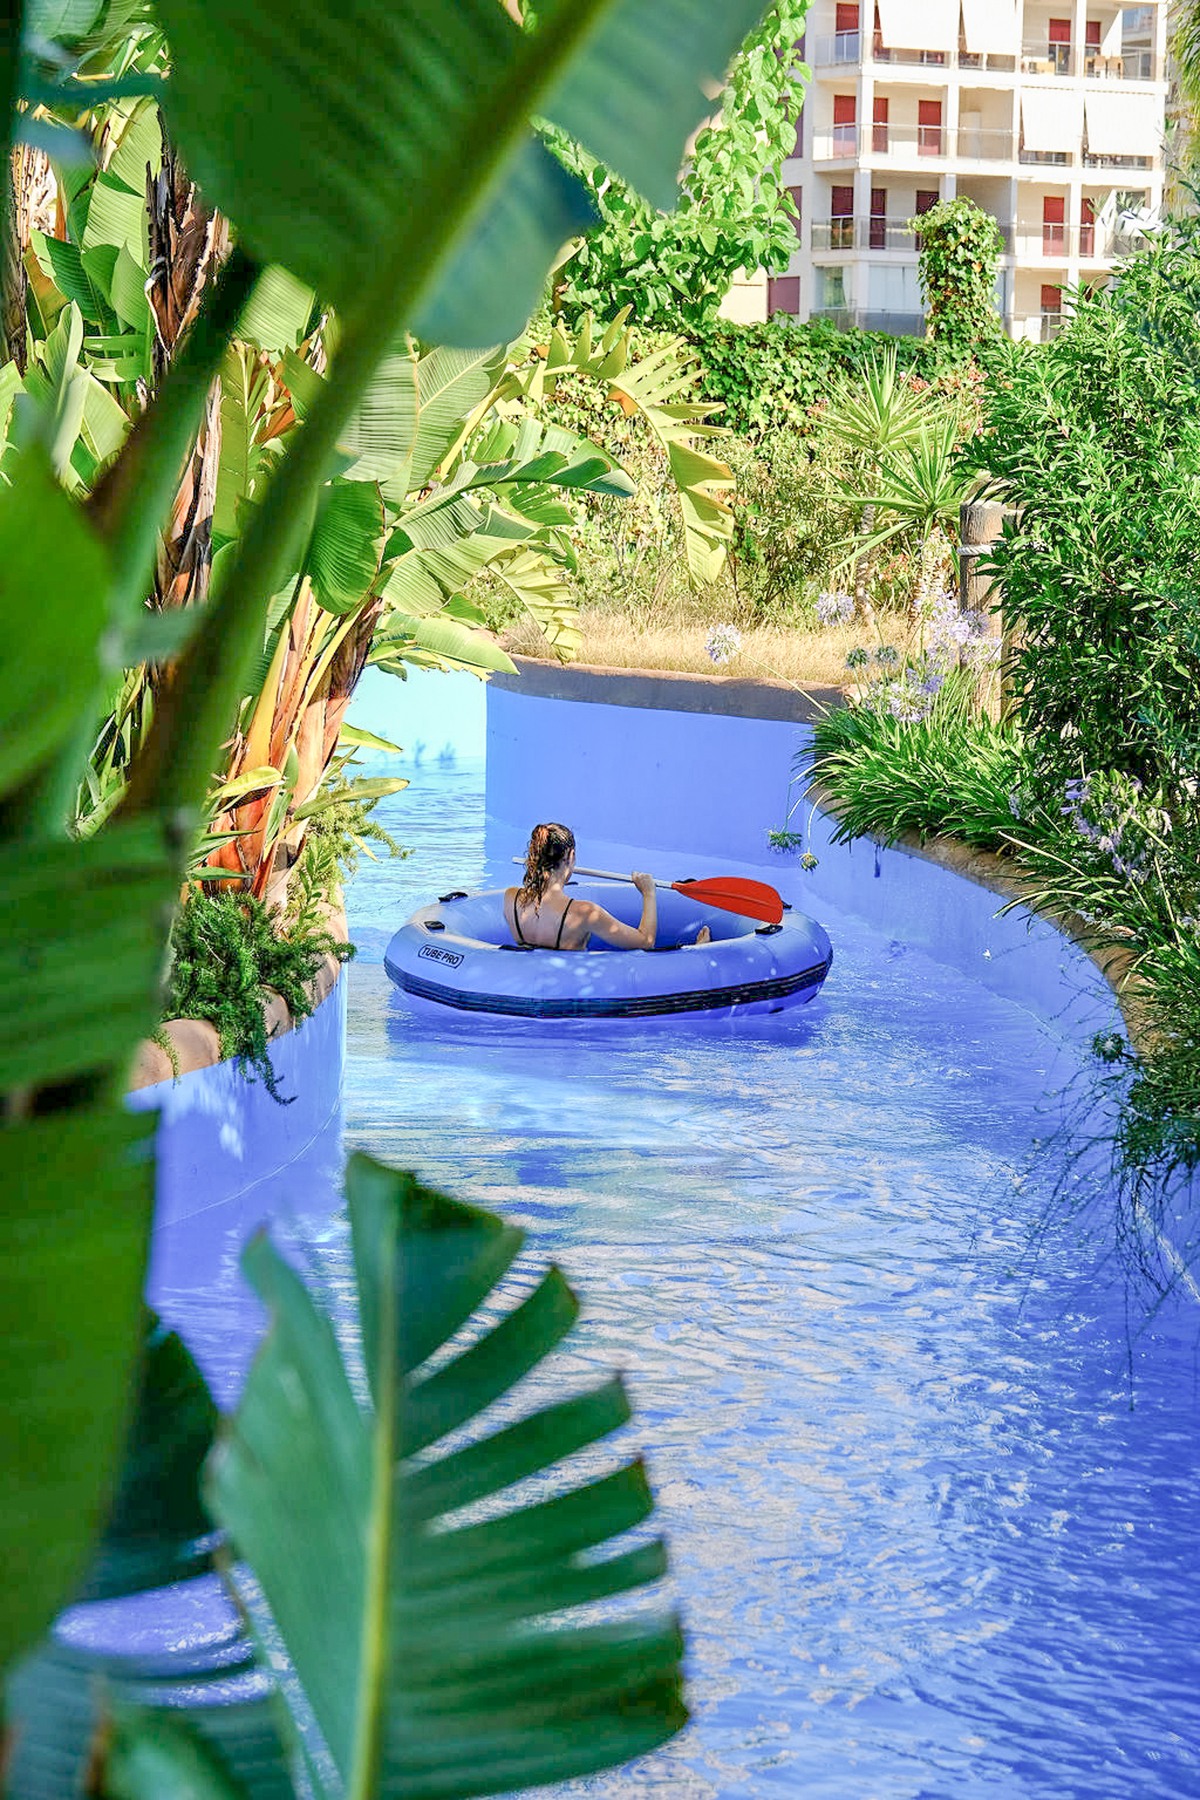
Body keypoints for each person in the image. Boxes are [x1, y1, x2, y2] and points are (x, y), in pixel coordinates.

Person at [504, 822, 710, 951]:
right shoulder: (584, 913)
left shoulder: (510, 898)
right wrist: (648, 893)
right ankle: (695, 952)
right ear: (571, 856)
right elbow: (646, 942)